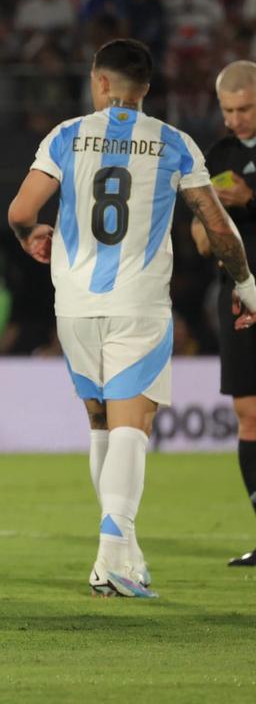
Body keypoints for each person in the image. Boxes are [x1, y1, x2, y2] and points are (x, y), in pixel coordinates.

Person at [7, 39, 256, 598]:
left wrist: (33, 236)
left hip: (73, 305)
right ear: (146, 90)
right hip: (137, 304)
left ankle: (126, 553)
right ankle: (111, 559)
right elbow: (219, 228)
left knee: (101, 425)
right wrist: (245, 282)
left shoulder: (65, 136)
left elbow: (22, 211)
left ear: (99, 82)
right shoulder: (174, 144)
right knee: (132, 428)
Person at [190, 59, 256, 566]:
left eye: (246, 108)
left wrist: (249, 198)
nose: (236, 119)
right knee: (248, 413)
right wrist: (211, 224)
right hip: (238, 296)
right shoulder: (218, 155)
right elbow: (198, 235)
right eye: (228, 110)